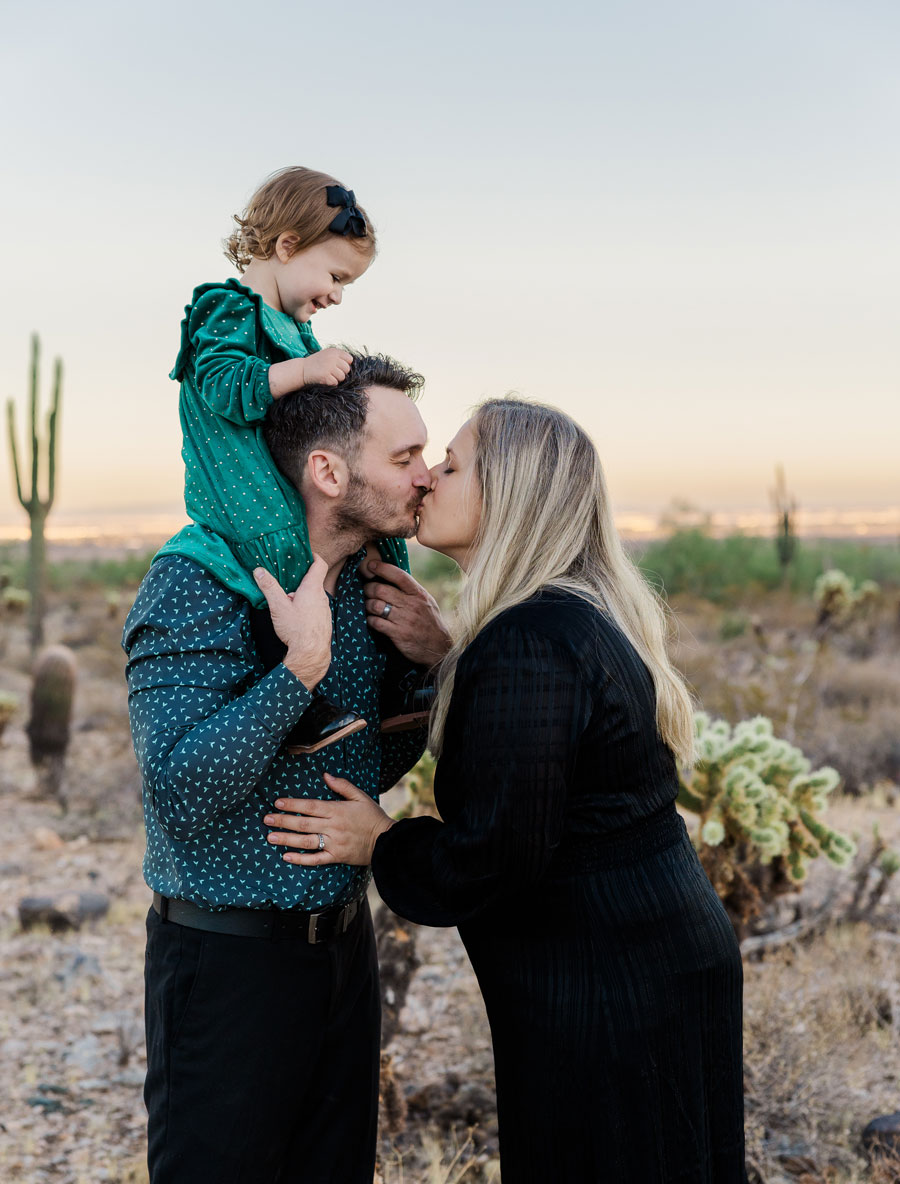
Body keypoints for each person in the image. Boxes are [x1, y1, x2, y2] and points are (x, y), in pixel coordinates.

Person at [265, 400, 749, 1183]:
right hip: (648, 958)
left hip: (607, 986)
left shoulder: (528, 640)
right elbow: (549, 757)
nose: (427, 478)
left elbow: (496, 855)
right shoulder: (566, 616)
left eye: (452, 465)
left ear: (510, 494)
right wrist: (450, 655)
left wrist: (380, 841)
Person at [122, 354, 450, 1184]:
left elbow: (375, 758)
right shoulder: (201, 580)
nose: (426, 476)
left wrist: (427, 662)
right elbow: (179, 789)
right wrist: (297, 670)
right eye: (404, 458)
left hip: (344, 950)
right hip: (229, 964)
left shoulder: (376, 579)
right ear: (329, 471)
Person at [157, 164, 411, 752]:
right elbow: (223, 386)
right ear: (287, 245)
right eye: (334, 275)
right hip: (238, 481)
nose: (337, 294)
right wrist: (303, 371)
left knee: (382, 539)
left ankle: (400, 680)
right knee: (283, 551)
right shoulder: (224, 308)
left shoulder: (296, 329)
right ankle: (294, 696)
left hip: (277, 473)